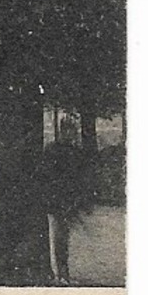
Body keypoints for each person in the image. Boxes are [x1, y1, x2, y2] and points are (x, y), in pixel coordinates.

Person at [41, 117, 93, 285]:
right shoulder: (53, 150)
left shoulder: (74, 151)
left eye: (74, 131)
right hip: (58, 200)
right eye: (69, 131)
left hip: (69, 200)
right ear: (63, 131)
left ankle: (64, 273)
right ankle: (62, 274)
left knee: (65, 236)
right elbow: (48, 175)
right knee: (60, 237)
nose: (72, 134)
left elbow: (81, 176)